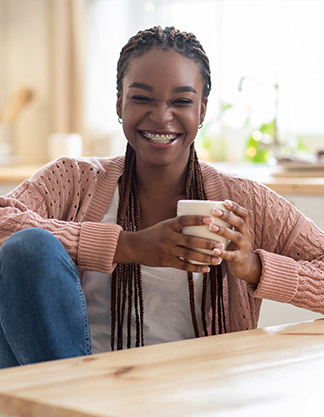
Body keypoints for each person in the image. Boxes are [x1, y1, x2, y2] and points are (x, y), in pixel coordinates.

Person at [0, 26, 324, 369]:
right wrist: (130, 246)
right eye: (141, 98)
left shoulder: (245, 200)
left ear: (201, 110)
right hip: (78, 382)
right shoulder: (75, 180)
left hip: (191, 396)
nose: (161, 115)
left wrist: (253, 266)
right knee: (28, 247)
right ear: (119, 104)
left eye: (181, 101)